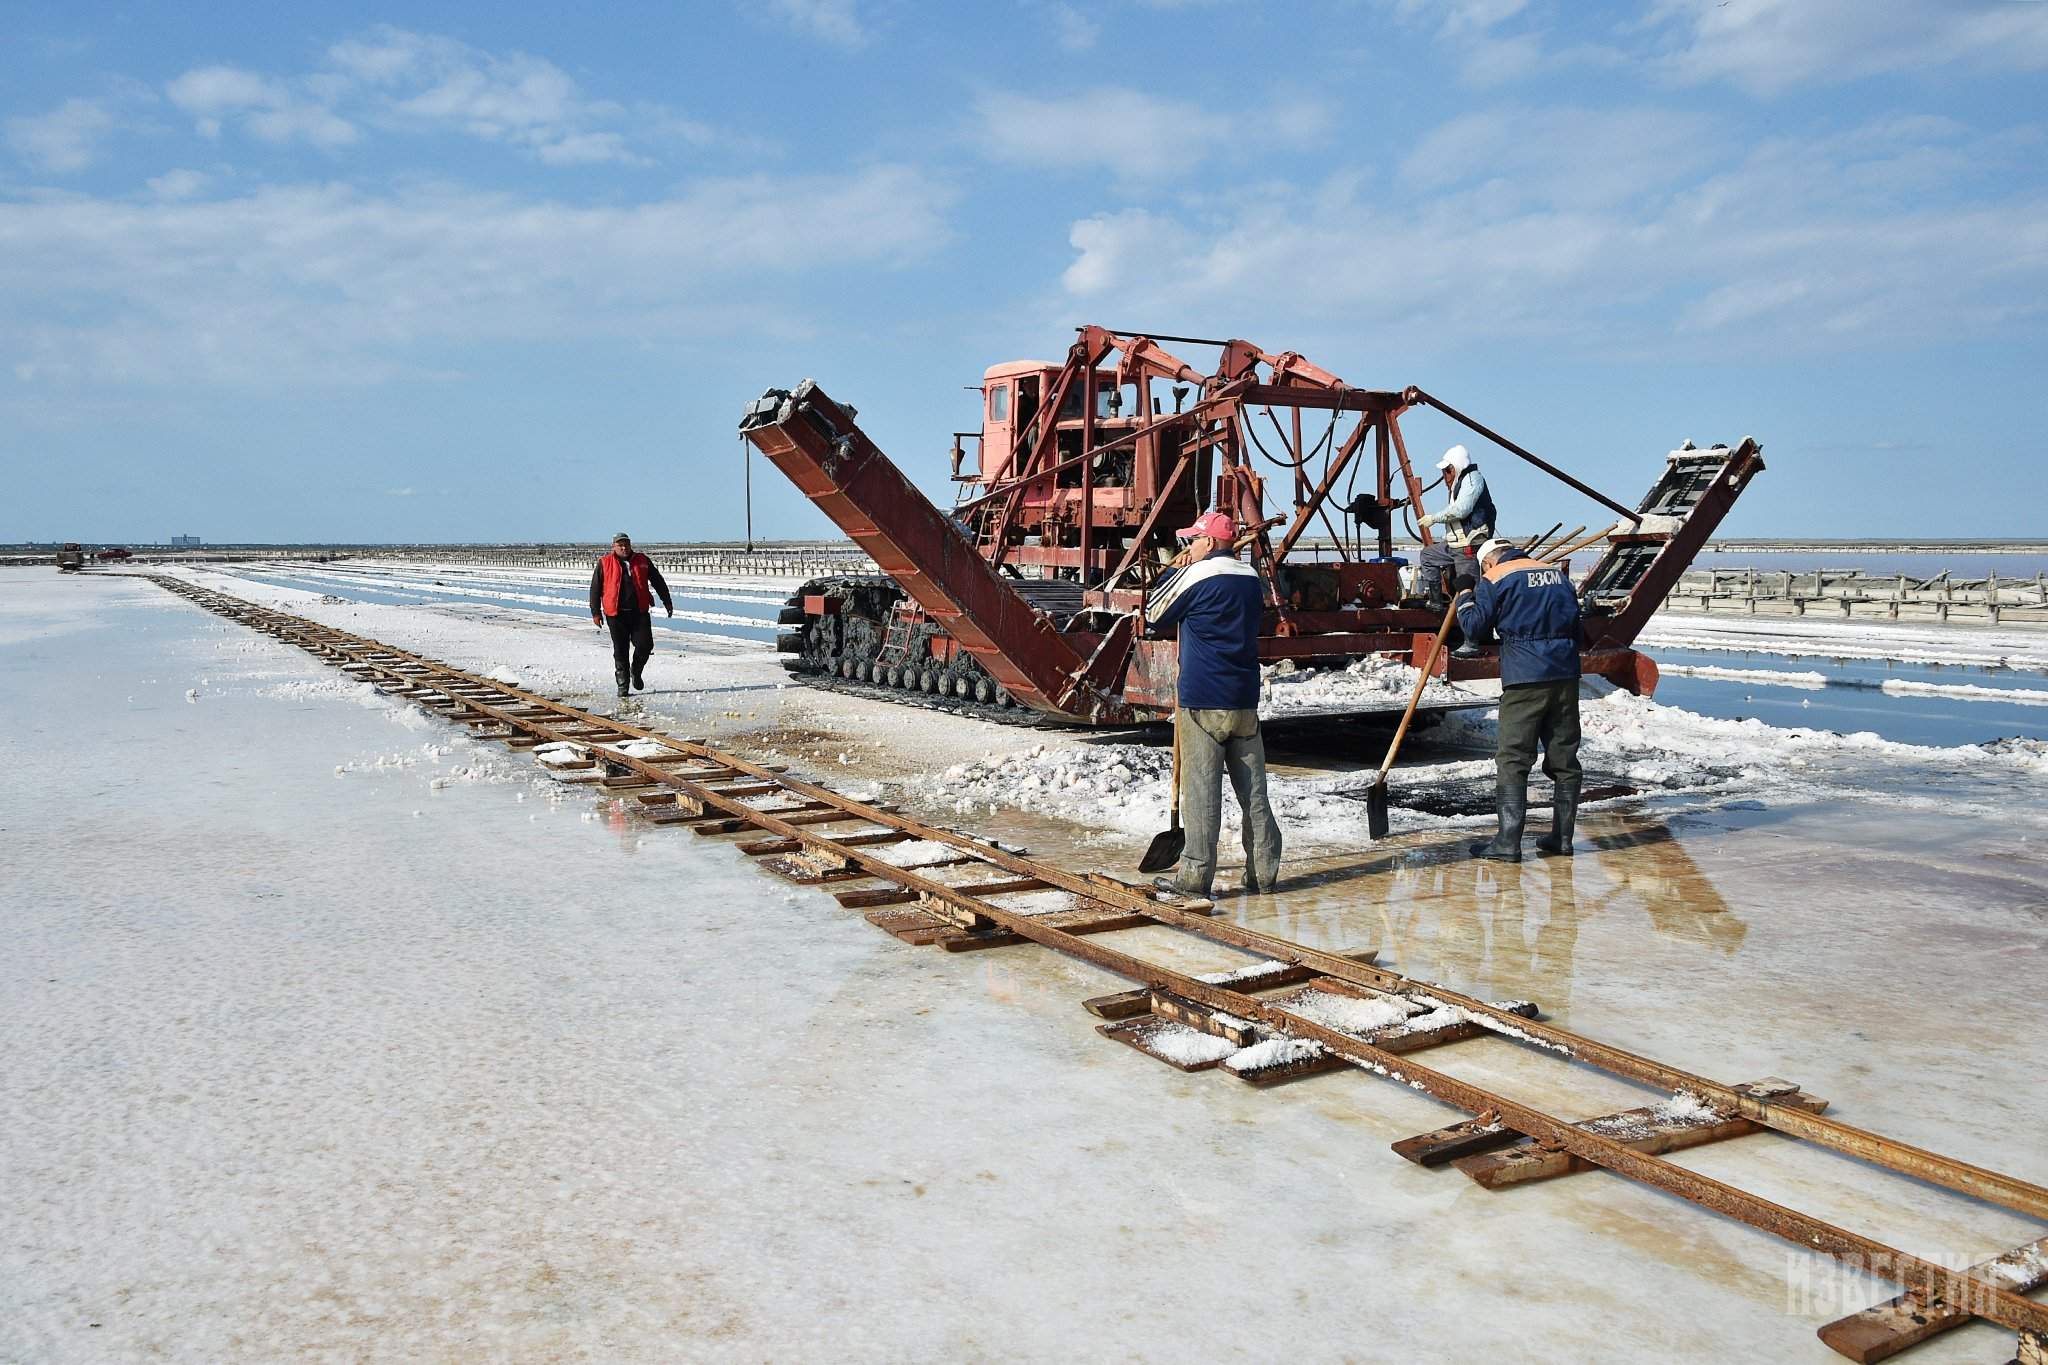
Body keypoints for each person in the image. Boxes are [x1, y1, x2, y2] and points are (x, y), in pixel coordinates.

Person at [1142, 510, 1283, 897]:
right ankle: (1263, 872)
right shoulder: (1251, 577)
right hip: (1243, 700)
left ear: (1207, 542)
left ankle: (1194, 878)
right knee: (1254, 794)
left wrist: (1173, 570)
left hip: (1203, 699)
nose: (1189, 546)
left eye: (1192, 540)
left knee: (1202, 793)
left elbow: (1154, 613)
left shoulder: (1196, 574)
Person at [1454, 537, 1582, 862]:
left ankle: (1507, 843)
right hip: (1565, 674)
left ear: (1487, 563)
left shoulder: (1495, 578)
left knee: (1513, 758)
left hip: (1525, 676)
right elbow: (1576, 624)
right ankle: (1562, 839)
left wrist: (1466, 593)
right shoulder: (1555, 574)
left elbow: (1474, 628)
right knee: (1565, 759)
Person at [588, 532, 674, 697]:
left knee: (645, 645)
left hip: (639, 612)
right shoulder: (604, 563)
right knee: (620, 650)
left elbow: (657, 580)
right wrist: (595, 612)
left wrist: (667, 601)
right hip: (615, 614)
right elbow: (595, 589)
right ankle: (623, 685)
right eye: (620, 545)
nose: (624, 547)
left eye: (626, 544)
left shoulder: (642, 560)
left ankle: (636, 671)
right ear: (614, 546)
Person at [1416, 444, 1497, 614]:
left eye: (1446, 471)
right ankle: (1436, 602)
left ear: (1454, 468)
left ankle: (1473, 638)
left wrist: (1434, 518)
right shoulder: (1460, 482)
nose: (1445, 476)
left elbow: (1461, 510)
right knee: (1428, 555)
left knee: (1469, 592)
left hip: (1469, 546)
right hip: (1455, 545)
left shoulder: (1472, 480)